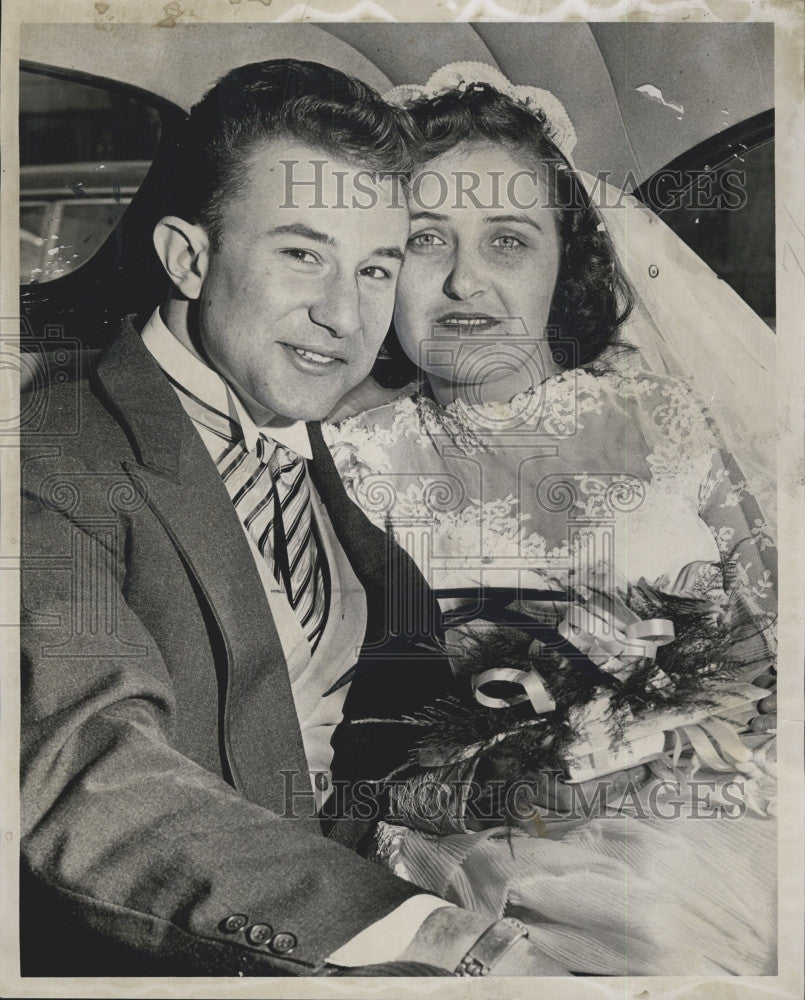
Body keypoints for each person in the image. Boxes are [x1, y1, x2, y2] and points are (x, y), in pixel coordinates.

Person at [19, 59, 570, 978]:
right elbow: (90, 777)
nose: (341, 315)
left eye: (375, 269)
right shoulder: (50, 455)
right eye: (301, 253)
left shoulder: (323, 454)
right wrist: (425, 934)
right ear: (188, 257)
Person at [326, 65, 778, 975]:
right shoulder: (346, 462)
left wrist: (709, 729)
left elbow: (774, 641)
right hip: (479, 848)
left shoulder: (669, 419)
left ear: (563, 258)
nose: (465, 282)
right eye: (425, 241)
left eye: (507, 241)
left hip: (726, 811)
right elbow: (341, 731)